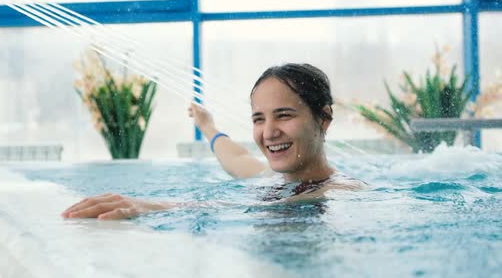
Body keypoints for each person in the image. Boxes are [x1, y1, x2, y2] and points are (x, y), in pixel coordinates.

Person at [62, 63, 364, 220]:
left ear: (323, 118)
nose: (268, 132)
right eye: (258, 119)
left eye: (283, 115)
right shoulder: (270, 175)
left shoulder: (342, 189)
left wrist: (153, 205)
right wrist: (208, 127)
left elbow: (246, 205)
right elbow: (235, 160)